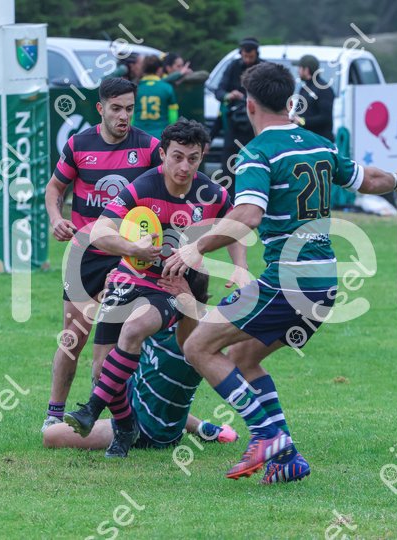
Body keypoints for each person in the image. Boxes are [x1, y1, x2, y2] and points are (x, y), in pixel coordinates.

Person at [163, 62, 397, 483]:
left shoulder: (257, 153)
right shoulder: (319, 144)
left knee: (198, 346)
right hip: (323, 283)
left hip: (288, 279)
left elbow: (248, 215)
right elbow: (368, 179)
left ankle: (266, 435)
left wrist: (196, 246)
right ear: (291, 102)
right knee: (245, 357)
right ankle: (287, 459)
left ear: (249, 105)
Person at [63, 119, 247, 458]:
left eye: (193, 158)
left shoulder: (210, 193)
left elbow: (235, 226)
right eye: (177, 157)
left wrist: (240, 267)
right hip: (129, 276)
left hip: (170, 284)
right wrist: (132, 248)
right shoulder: (142, 186)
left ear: (202, 157)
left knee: (134, 329)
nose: (184, 166)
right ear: (162, 154)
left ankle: (90, 410)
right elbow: (100, 231)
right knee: (100, 370)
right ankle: (125, 426)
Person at [42, 78, 162, 433]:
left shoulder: (149, 147)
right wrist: (56, 218)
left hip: (130, 257)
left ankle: (128, 416)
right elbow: (55, 187)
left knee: (124, 341)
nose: (124, 116)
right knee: (72, 336)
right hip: (86, 256)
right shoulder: (79, 145)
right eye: (116, 108)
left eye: (129, 109)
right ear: (100, 108)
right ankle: (54, 414)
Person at [43, 273, 238, 450]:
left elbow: (187, 339)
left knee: (52, 436)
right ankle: (204, 428)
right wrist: (113, 291)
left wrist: (185, 302)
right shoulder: (159, 318)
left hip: (149, 430)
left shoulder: (198, 338)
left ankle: (125, 429)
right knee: (114, 372)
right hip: (144, 400)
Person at [214, 37, 263, 200]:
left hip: (254, 127)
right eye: (245, 56)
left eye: (251, 56)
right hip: (233, 125)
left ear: (256, 53)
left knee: (253, 166)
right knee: (228, 168)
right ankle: (227, 202)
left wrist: (250, 99)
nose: (247, 60)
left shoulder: (263, 68)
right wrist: (229, 95)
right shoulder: (233, 66)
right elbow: (219, 91)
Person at [291, 54, 335, 141]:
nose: (298, 71)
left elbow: (325, 118)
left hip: (320, 141)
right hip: (305, 139)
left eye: (299, 68)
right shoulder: (304, 88)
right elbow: (298, 112)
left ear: (306, 70)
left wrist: (302, 121)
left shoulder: (324, 89)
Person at [133, 55, 179, 139]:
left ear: (143, 69)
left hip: (138, 136)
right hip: (160, 136)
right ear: (159, 69)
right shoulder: (167, 88)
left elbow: (131, 115)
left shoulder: (135, 88)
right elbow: (173, 116)